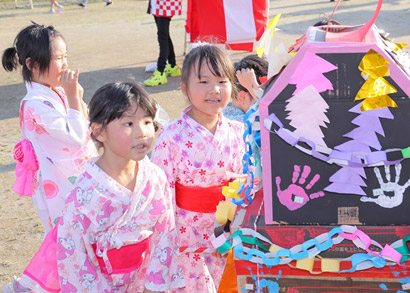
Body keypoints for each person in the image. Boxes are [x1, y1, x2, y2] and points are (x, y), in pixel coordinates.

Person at [4, 82, 185, 293]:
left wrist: (152, 288)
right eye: (128, 123)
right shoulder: (85, 193)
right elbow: (76, 261)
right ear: (99, 132)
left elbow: (165, 235)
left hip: (146, 283)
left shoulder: (155, 178)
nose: (142, 132)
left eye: (147, 122)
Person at [150, 45, 246, 292]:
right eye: (203, 81)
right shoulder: (171, 137)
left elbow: (248, 183)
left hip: (230, 233)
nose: (214, 89)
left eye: (222, 81)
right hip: (187, 237)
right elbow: (161, 197)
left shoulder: (240, 131)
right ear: (184, 88)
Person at [2, 23, 98, 235]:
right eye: (57, 58)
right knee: (70, 241)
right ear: (33, 65)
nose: (65, 65)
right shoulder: (34, 106)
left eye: (66, 57)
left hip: (77, 181)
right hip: (59, 188)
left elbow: (89, 124)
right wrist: (73, 97)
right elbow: (77, 137)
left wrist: (78, 98)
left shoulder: (56, 91)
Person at [143, 0, 182, 87]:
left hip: (164, 4)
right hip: (158, 4)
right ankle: (172, 65)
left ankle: (160, 71)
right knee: (164, 35)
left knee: (162, 36)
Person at [223, 54, 268, 122]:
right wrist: (253, 87)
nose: (269, 100)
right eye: (262, 94)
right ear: (243, 97)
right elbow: (268, 111)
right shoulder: (239, 123)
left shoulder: (224, 112)